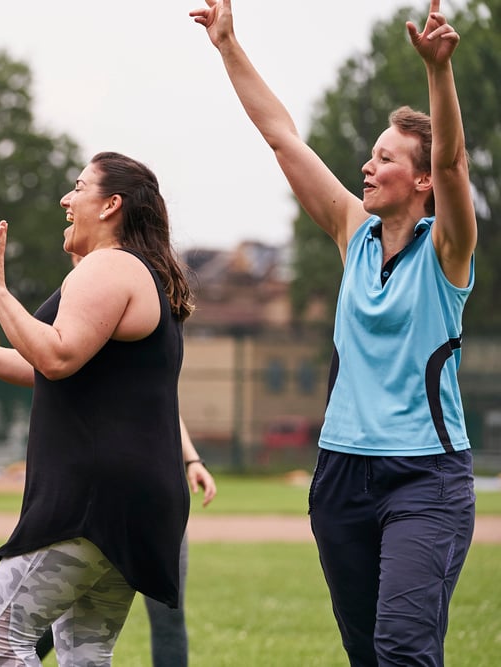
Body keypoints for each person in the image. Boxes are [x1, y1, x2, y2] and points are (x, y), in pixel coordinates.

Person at [191, 1, 477, 664]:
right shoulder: (355, 232)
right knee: (368, 654)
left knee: (404, 647)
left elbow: (457, 165)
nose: (368, 168)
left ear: (423, 179)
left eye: (385, 159)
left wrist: (439, 72)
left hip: (425, 476)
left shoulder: (448, 250)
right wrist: (229, 47)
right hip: (341, 473)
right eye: (370, 157)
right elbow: (282, 137)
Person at [0, 151, 194, 665]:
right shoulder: (137, 271)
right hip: (135, 498)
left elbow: (55, 356)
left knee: (2, 638)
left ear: (111, 205)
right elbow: (40, 367)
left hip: (95, 498)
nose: (66, 200)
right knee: (84, 653)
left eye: (78, 188)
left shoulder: (109, 266)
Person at [34, 417, 217, 666]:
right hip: (101, 497)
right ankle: (17, 655)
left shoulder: (152, 378)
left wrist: (192, 460)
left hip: (157, 499)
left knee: (169, 614)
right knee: (69, 606)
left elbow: (168, 406)